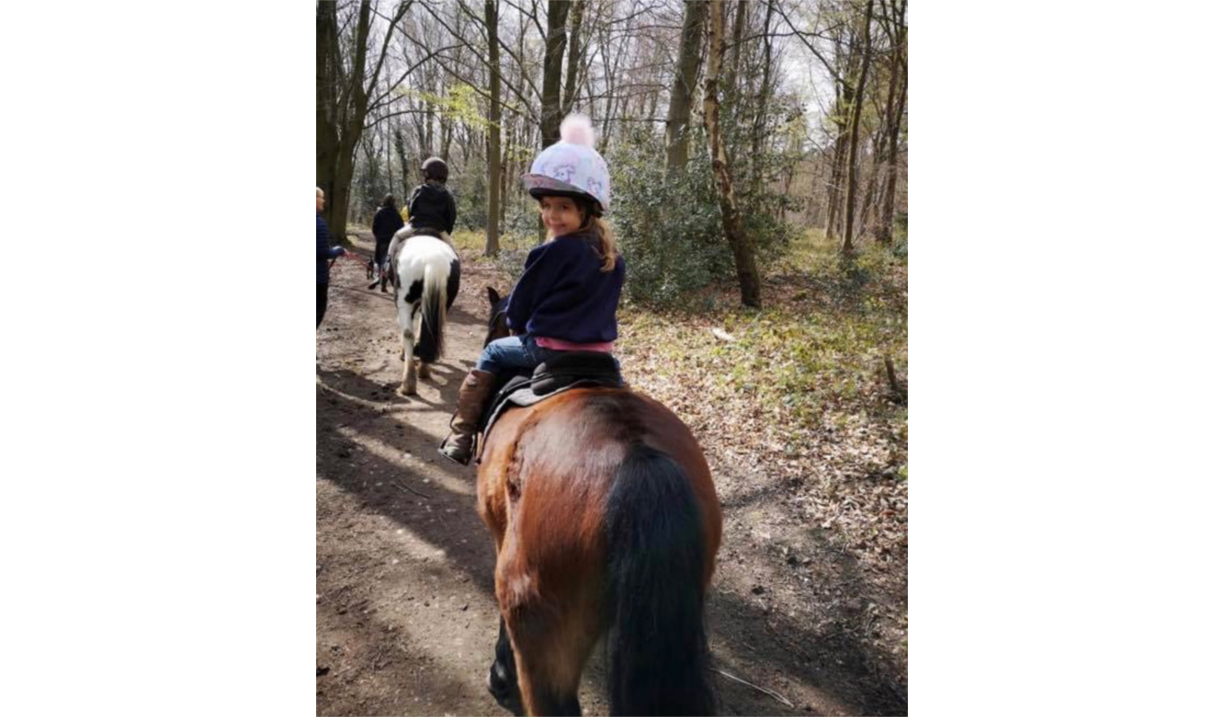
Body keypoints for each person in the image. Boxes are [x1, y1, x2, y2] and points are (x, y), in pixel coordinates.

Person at [439, 115, 624, 465]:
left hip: (547, 350)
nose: (552, 215)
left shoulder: (551, 251)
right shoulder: (613, 257)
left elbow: (517, 310)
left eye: (564, 207)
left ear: (587, 211)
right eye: (547, 206)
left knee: (493, 351)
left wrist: (519, 321)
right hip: (602, 356)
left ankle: (462, 435)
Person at [317, 187, 346, 328]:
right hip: (317, 278)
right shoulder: (319, 224)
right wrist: (338, 250)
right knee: (317, 312)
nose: (323, 200)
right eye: (320, 197)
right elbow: (322, 253)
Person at [406, 157, 456, 236]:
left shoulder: (418, 190)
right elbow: (451, 217)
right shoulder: (447, 195)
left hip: (416, 227)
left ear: (428, 174)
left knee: (396, 237)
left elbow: (411, 210)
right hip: (440, 230)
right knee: (451, 248)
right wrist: (446, 232)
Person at [371, 193, 404, 292]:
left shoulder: (379, 213)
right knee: (391, 263)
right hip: (393, 242)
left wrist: (378, 237)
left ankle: (380, 281)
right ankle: (392, 284)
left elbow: (374, 228)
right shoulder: (396, 214)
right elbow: (401, 228)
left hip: (382, 242)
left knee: (382, 262)